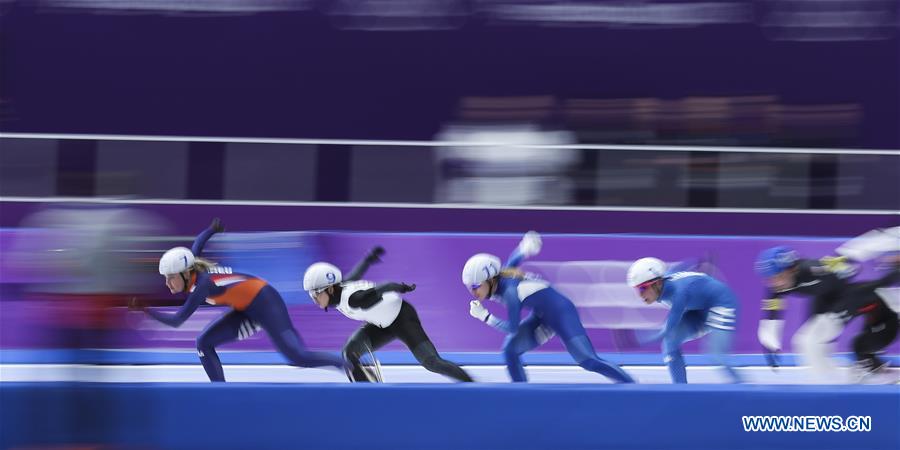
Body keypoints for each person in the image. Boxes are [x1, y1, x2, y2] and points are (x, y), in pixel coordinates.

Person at [138, 218, 347, 382]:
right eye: (165, 278)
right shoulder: (191, 266)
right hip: (245, 309)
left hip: (266, 302)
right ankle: (220, 392)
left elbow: (177, 321)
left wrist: (145, 310)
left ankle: (346, 365)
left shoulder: (202, 286)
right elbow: (198, 243)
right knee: (203, 343)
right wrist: (211, 229)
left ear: (185, 274)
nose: (167, 283)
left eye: (171, 277)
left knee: (298, 357)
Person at [463, 231, 634, 383]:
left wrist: (485, 316)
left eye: (476, 286)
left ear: (491, 280)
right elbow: (511, 263)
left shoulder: (510, 293)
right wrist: (524, 248)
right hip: (542, 316)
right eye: (469, 287)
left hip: (562, 313)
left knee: (588, 360)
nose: (473, 291)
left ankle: (631, 386)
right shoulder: (501, 277)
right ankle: (521, 395)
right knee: (510, 350)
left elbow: (513, 328)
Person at [303, 246, 473, 382]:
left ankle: (472, 386)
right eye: (311, 295)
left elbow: (383, 287)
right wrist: (368, 259)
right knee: (349, 354)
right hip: (381, 325)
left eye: (316, 293)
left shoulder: (353, 299)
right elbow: (355, 275)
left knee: (432, 362)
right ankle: (368, 395)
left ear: (330, 289)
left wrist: (401, 287)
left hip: (402, 319)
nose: (314, 299)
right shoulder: (341, 287)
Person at [755, 234, 899, 383]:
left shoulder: (813, 268)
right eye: (769, 279)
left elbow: (853, 252)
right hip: (824, 299)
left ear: (792, 269)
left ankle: (830, 383)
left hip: (846, 296)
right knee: (811, 343)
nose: (774, 283)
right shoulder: (776, 289)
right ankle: (831, 379)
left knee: (806, 341)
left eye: (778, 277)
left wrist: (891, 238)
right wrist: (771, 343)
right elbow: (771, 318)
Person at [627, 257, 742, 384]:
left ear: (658, 283)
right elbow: (679, 268)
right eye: (636, 289)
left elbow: (666, 329)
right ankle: (680, 389)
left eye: (643, 288)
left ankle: (743, 389)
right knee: (669, 343)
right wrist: (699, 262)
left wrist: (640, 340)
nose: (640, 295)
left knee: (717, 356)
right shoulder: (664, 281)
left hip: (721, 303)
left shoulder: (679, 292)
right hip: (697, 310)